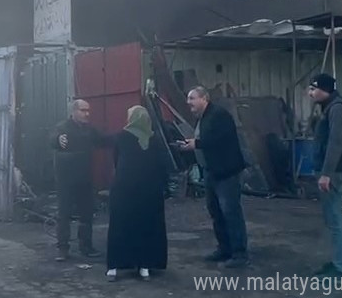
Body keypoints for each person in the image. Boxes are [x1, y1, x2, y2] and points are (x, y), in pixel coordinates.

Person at [180, 86, 249, 268]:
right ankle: (224, 248)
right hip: (212, 171)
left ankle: (239, 253)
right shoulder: (205, 117)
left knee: (230, 212)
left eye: (192, 98)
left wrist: (197, 143)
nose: (189, 103)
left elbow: (218, 140)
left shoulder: (219, 115)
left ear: (204, 98)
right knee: (216, 211)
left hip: (226, 173)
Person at [105, 105, 168, 282]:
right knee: (146, 226)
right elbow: (161, 164)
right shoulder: (154, 139)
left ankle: (114, 266)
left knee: (120, 225)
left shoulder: (121, 137)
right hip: (149, 190)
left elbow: (117, 161)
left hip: (124, 188)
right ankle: (144, 266)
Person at [49, 99, 112, 262]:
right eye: (83, 110)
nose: (87, 114)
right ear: (74, 112)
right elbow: (52, 139)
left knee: (87, 214)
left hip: (84, 178)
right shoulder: (63, 127)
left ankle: (86, 247)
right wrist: (58, 140)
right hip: (66, 180)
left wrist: (126, 137)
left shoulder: (90, 130)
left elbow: (104, 140)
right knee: (64, 214)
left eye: (88, 111)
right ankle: (62, 249)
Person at [307, 73, 342, 278]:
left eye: (313, 89)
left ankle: (341, 266)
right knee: (331, 218)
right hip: (331, 172)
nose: (310, 93)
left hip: (333, 173)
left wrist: (326, 174)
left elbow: (336, 143)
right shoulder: (330, 108)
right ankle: (337, 261)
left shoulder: (337, 109)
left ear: (324, 89)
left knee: (335, 219)